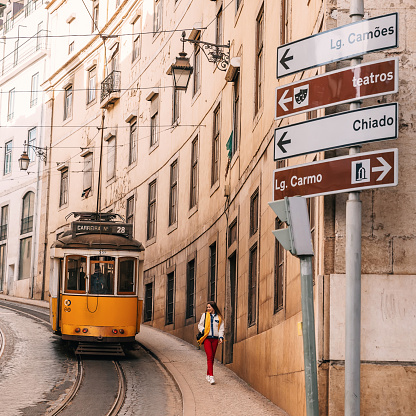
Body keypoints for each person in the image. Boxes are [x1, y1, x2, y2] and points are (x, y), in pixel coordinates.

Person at [197, 301, 224, 385]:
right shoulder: (204, 315)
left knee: (212, 357)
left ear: (213, 307)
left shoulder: (219, 317)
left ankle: (208, 374)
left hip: (215, 339)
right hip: (207, 339)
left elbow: (221, 328)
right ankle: (211, 376)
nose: (208, 308)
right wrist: (204, 330)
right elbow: (200, 325)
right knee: (209, 356)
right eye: (207, 307)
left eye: (209, 307)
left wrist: (221, 337)